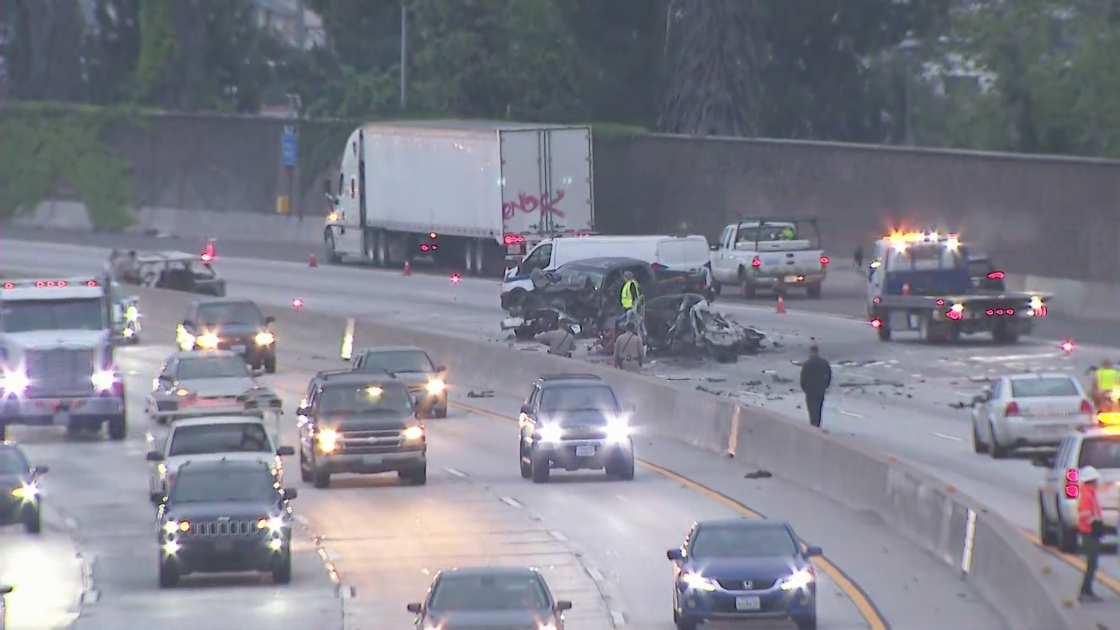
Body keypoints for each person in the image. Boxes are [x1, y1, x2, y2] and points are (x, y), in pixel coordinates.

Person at [1077, 465, 1104, 601]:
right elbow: (1084, 514)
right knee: (1092, 563)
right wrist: (1094, 523)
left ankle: (1087, 590)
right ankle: (1085, 591)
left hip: (1090, 531)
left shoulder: (1090, 493)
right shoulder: (1087, 495)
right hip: (1088, 532)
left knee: (1093, 563)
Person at [799, 345, 832, 427]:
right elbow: (829, 375)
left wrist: (804, 388)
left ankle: (813, 424)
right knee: (819, 407)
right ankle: (817, 424)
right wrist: (825, 385)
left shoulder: (807, 364)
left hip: (810, 389)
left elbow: (803, 377)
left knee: (811, 407)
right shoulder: (824, 362)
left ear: (811, 352)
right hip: (820, 389)